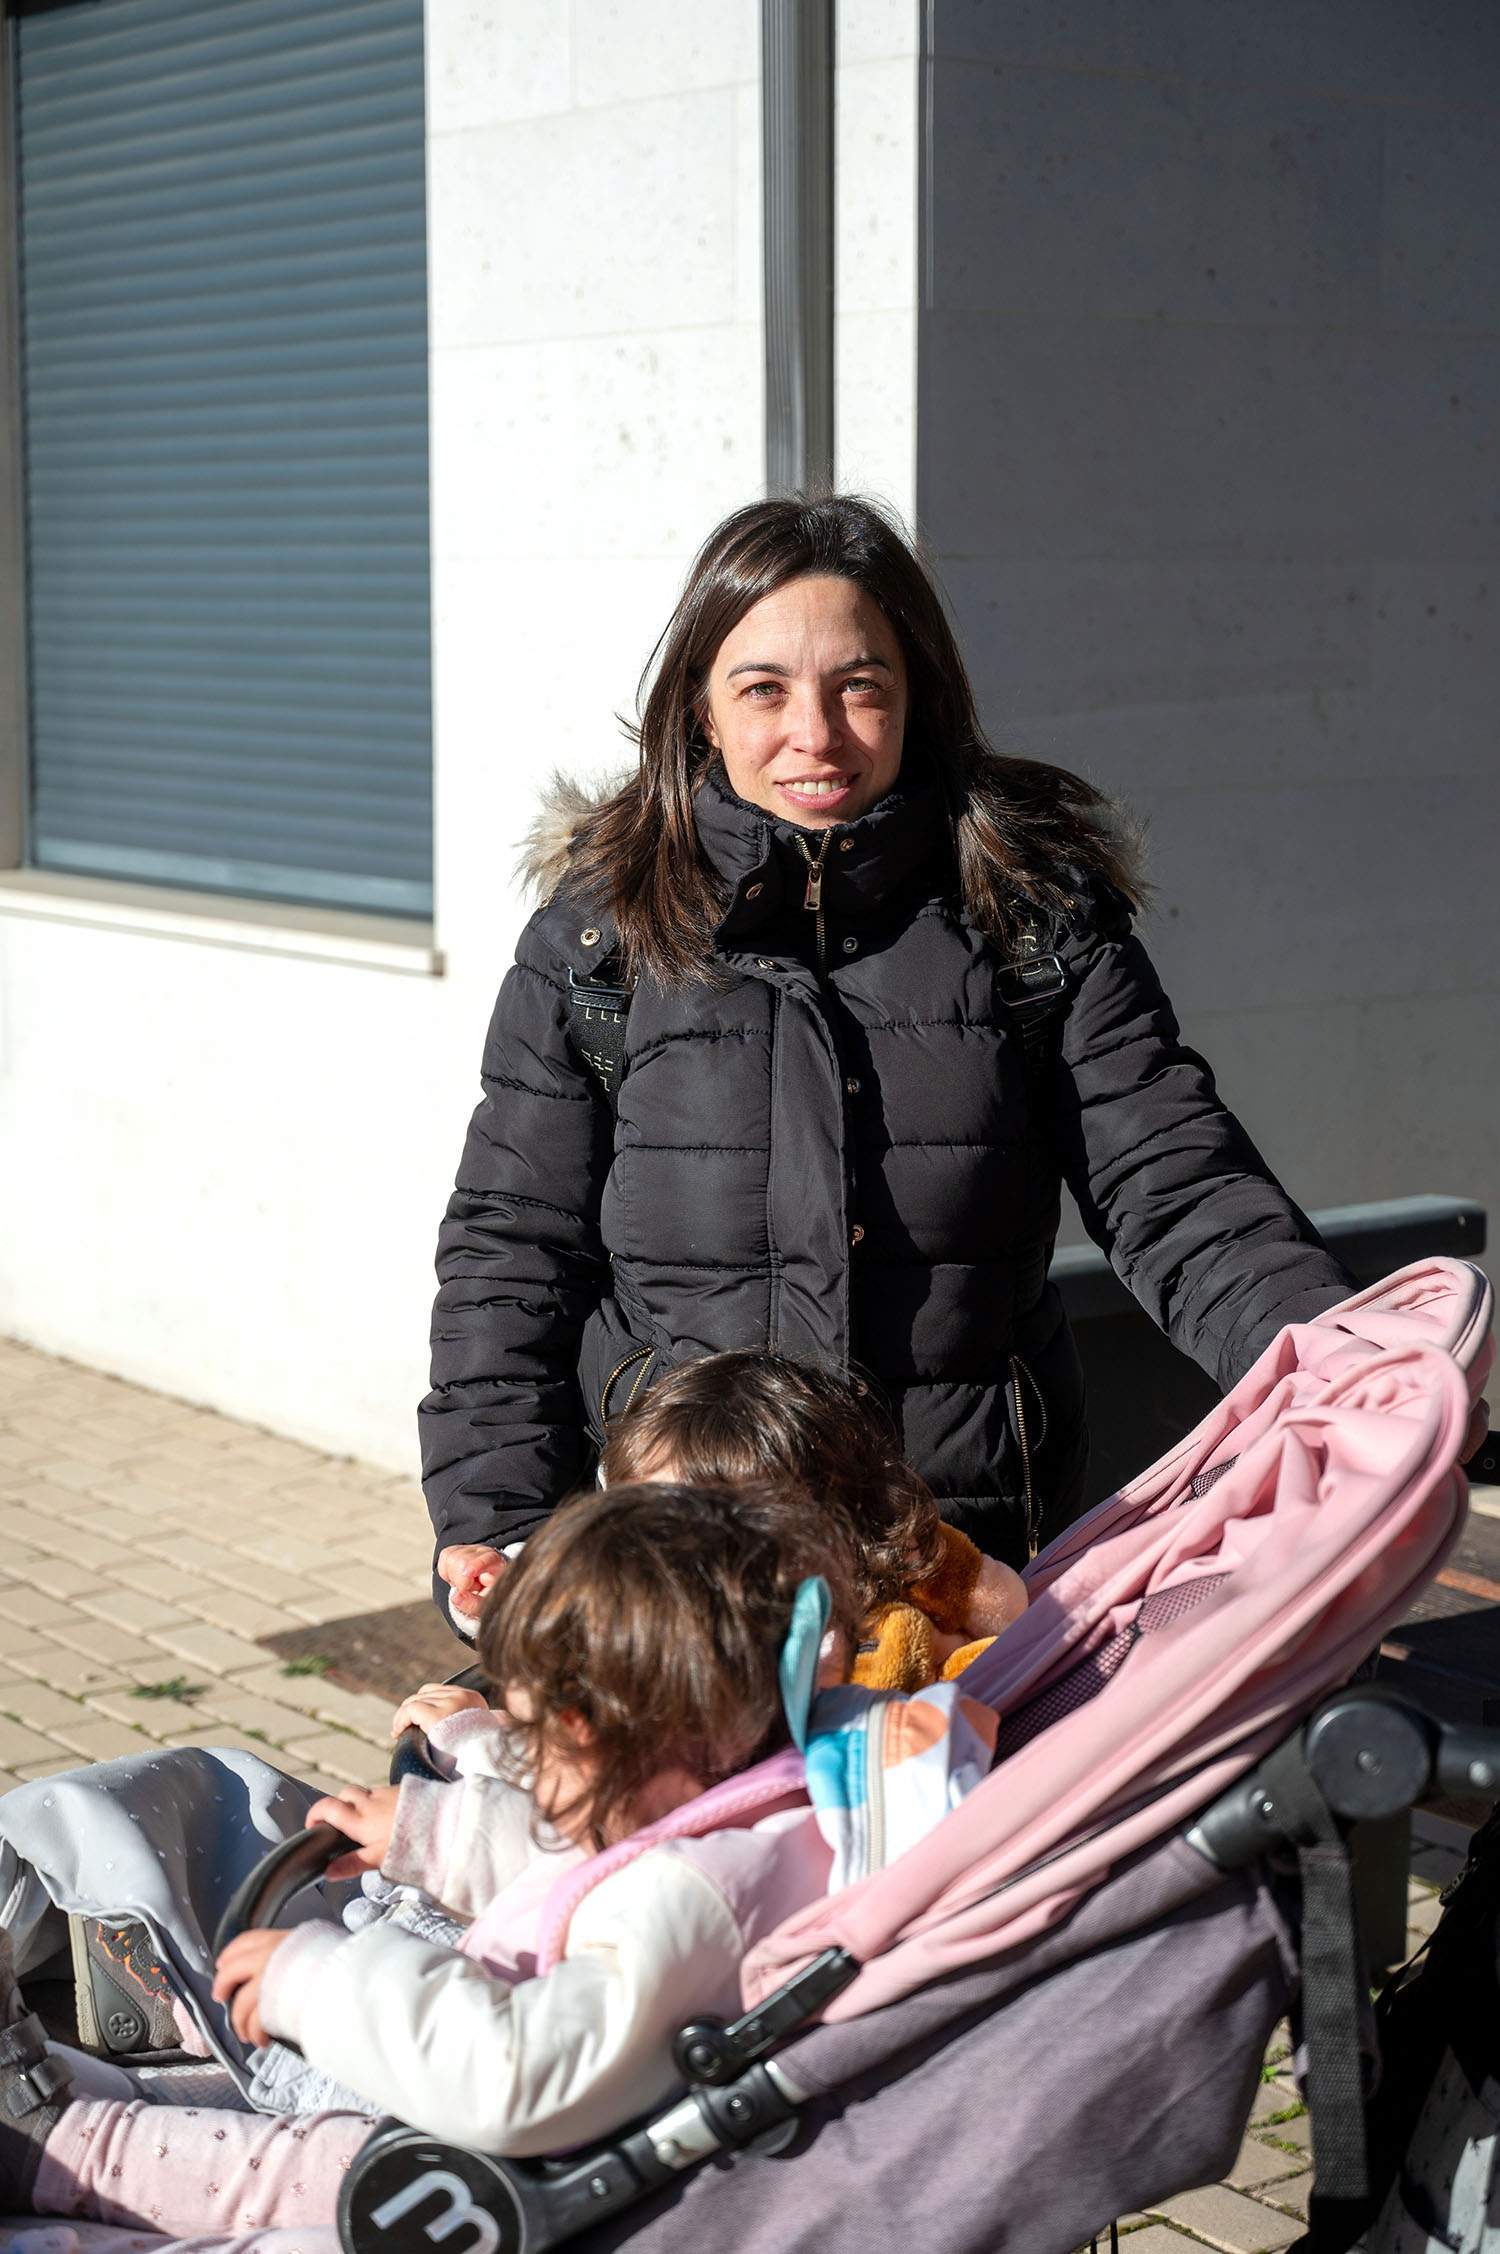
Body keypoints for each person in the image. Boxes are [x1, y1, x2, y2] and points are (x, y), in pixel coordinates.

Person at [422, 491, 1368, 1630]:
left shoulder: (1028, 918)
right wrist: (502, 1521)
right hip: (675, 1572)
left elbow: (1178, 1188)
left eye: (859, 685)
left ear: (917, 698)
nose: (814, 735)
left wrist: (1351, 1378)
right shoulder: (600, 939)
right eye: (763, 688)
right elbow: (512, 1249)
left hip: (961, 1562)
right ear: (701, 714)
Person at [0, 1479, 874, 2219]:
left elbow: (515, 2076)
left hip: (469, 2169)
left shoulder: (700, 1897)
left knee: (273, 2167)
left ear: (580, 1729)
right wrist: (431, 1833)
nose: (523, 1762)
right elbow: (588, 1869)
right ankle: (76, 2079)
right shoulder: (743, 1808)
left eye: (527, 1739)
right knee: (213, 2097)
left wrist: (317, 1979)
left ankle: (55, 2146)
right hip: (434, 2088)